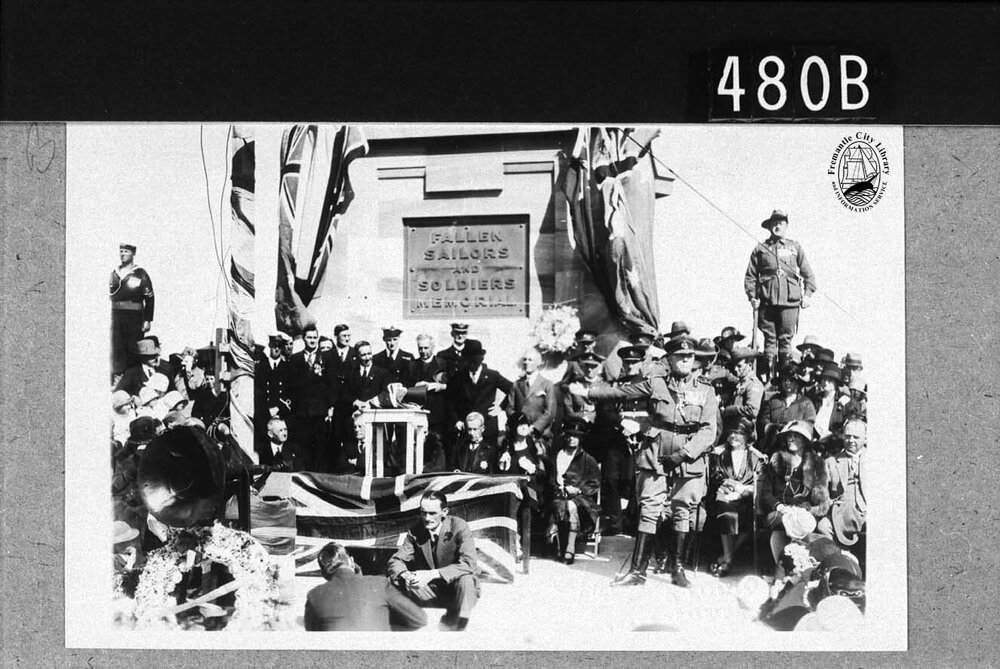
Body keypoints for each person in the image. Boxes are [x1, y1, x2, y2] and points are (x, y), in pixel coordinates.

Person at [573, 335, 718, 588]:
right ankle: (637, 571)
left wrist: (683, 454)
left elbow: (708, 431)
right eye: (680, 357)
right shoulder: (656, 384)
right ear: (670, 359)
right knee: (649, 508)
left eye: (689, 357)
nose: (685, 360)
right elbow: (621, 391)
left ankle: (678, 568)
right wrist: (588, 391)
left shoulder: (705, 389)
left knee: (682, 509)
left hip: (688, 457)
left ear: (695, 360)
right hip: (657, 454)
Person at [387, 490, 478, 631]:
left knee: (466, 579)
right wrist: (406, 575)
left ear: (444, 512)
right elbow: (395, 561)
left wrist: (431, 574)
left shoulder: (459, 526)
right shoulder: (416, 531)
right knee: (394, 579)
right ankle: (405, 625)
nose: (427, 518)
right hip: (429, 590)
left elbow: (468, 563)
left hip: (455, 590)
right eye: (423, 512)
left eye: (432, 513)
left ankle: (461, 625)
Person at [744, 209, 817, 378]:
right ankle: (770, 380)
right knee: (770, 339)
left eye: (780, 223)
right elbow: (750, 276)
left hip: (789, 301)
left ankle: (784, 378)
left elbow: (809, 275)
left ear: (786, 226)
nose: (777, 226)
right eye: (774, 223)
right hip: (767, 301)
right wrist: (752, 297)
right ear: (769, 227)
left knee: (785, 340)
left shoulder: (795, 247)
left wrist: (808, 295)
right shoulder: (760, 249)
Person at [305, 542, 427, 632]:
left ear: (323, 574)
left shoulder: (314, 596)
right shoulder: (379, 583)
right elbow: (420, 619)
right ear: (352, 561)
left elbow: (313, 635)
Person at [759, 420, 831, 569]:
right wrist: (779, 507)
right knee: (781, 523)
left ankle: (802, 569)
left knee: (802, 524)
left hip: (805, 512)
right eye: (788, 436)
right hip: (778, 511)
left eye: (796, 436)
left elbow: (821, 499)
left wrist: (806, 509)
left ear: (804, 441)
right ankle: (782, 570)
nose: (790, 439)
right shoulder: (777, 461)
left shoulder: (816, 464)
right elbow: (766, 493)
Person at [708, 419, 764, 577]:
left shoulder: (756, 457)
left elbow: (759, 482)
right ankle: (728, 559)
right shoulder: (720, 454)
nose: (733, 436)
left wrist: (742, 491)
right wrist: (732, 488)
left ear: (746, 436)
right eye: (731, 432)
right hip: (725, 497)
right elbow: (717, 476)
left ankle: (726, 557)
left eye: (738, 433)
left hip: (748, 499)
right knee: (727, 513)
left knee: (753, 519)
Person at [546, 418, 600, 565]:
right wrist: (559, 489)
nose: (572, 439)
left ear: (580, 438)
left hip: (581, 499)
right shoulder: (557, 456)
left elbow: (594, 483)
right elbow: (549, 479)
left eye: (576, 436)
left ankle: (569, 547)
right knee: (561, 505)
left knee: (571, 506)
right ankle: (562, 544)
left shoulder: (587, 459)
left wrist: (578, 490)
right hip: (558, 496)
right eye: (569, 435)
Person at [444, 340, 512, 448]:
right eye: (468, 361)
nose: (472, 364)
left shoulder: (492, 375)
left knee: (488, 462)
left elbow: (512, 389)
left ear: (481, 359)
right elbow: (449, 400)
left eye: (475, 361)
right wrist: (456, 420)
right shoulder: (458, 377)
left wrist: (500, 407)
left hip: (487, 428)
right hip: (466, 429)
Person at [817, 418, 867, 549]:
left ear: (865, 439)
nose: (851, 441)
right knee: (823, 526)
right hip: (840, 511)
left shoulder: (875, 460)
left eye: (856, 437)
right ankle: (839, 559)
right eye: (847, 436)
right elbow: (821, 492)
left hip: (867, 511)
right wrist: (830, 502)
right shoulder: (831, 462)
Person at [287, 325, 331, 471]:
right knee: (303, 447)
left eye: (315, 338)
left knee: (320, 448)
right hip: (302, 412)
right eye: (309, 337)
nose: (312, 341)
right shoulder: (295, 359)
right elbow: (291, 386)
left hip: (320, 412)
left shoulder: (326, 358)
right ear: (304, 339)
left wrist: (330, 407)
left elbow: (332, 385)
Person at [110, 243, 155, 377]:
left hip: (134, 318)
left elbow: (150, 298)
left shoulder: (140, 274)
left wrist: (147, 319)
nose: (123, 254)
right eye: (121, 251)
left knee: (133, 348)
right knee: (116, 347)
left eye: (126, 251)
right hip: (115, 316)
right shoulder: (114, 273)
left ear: (133, 254)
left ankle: (131, 378)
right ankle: (117, 378)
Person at [757, 363, 817, 454]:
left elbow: (808, 426)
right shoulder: (774, 400)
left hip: (795, 450)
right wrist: (773, 428)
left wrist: (792, 428)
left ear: (798, 383)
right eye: (784, 380)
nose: (787, 383)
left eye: (791, 380)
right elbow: (764, 422)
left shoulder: (806, 404)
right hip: (773, 447)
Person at [507, 348, 556, 443]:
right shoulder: (516, 384)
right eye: (524, 359)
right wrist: (519, 425)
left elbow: (550, 412)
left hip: (539, 435)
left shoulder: (547, 384)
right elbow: (510, 408)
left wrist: (534, 427)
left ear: (539, 363)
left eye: (530, 360)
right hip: (518, 434)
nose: (526, 362)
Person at [721, 347, 765, 441]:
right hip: (733, 431)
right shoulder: (740, 383)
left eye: (739, 366)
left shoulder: (753, 384)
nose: (736, 369)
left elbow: (752, 410)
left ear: (749, 365)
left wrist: (730, 409)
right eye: (734, 366)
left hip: (745, 434)